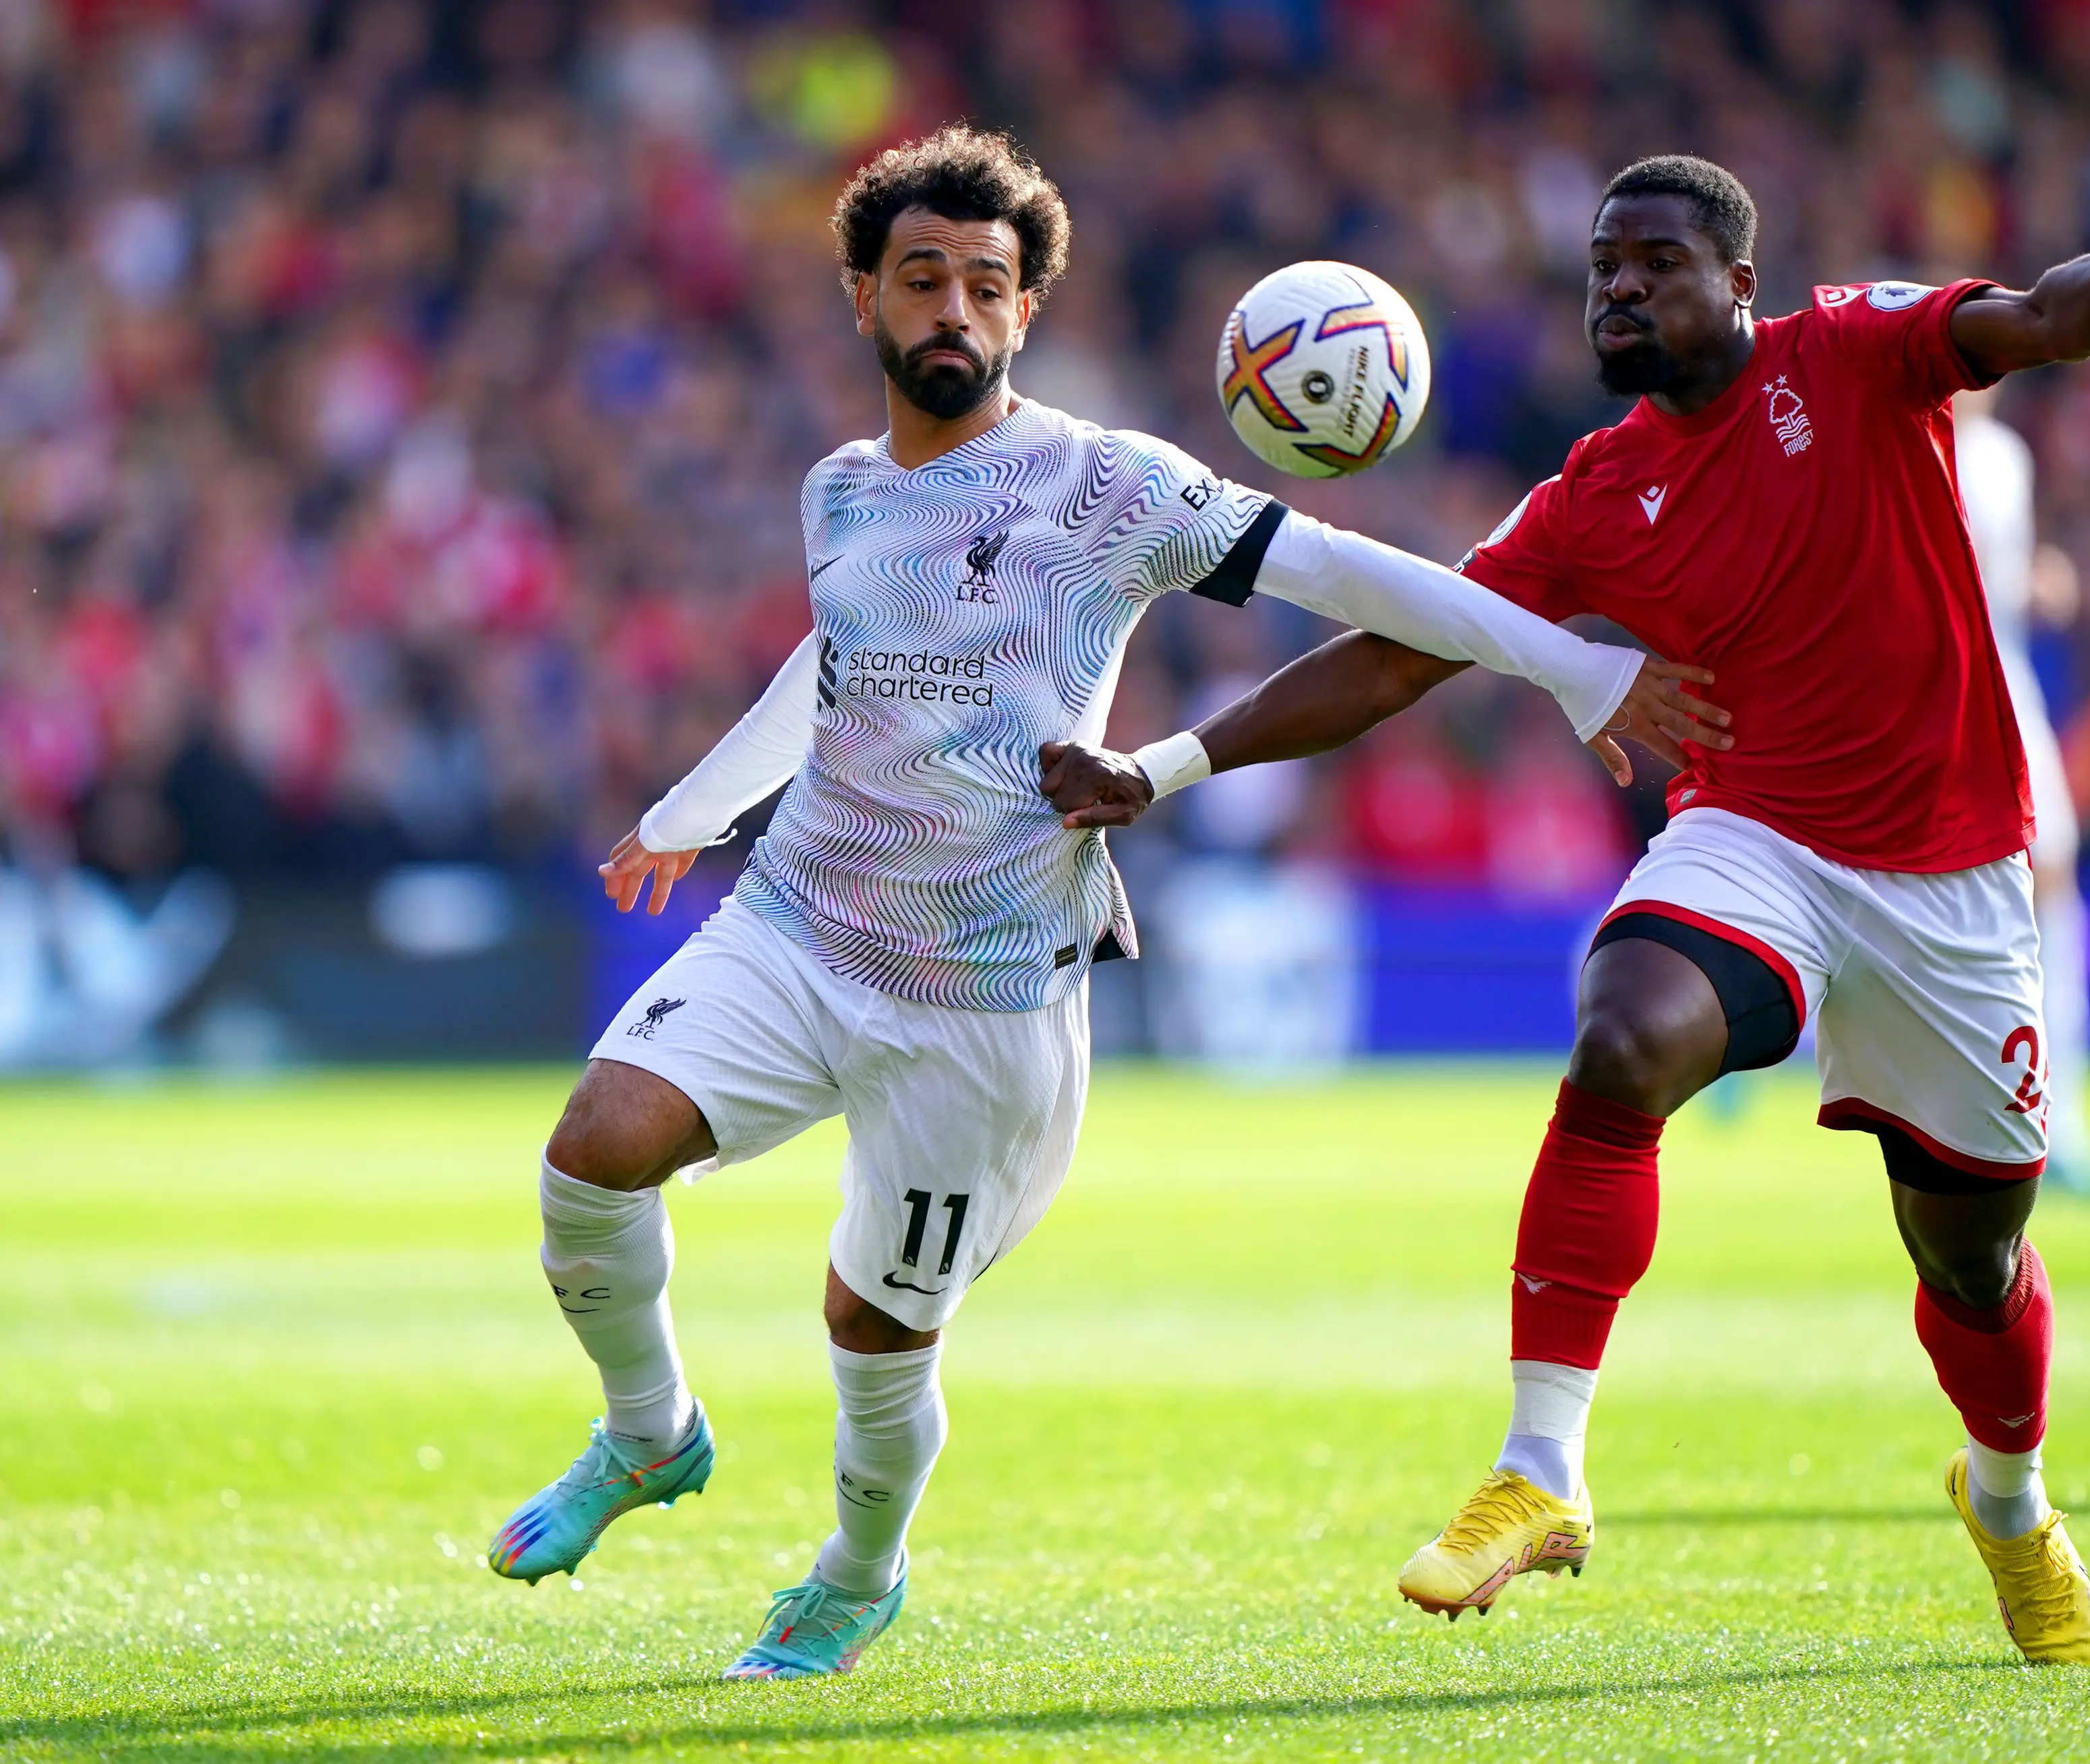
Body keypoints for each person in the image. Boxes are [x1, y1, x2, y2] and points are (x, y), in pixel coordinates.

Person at [482, 125, 1731, 1682]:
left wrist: (1574, 661)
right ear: (862, 296)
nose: (952, 308)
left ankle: (857, 1572)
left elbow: (1351, 575)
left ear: (1023, 313)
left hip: (984, 996)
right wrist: (695, 806)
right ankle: (649, 1429)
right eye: (921, 278)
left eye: (985, 286)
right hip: (799, 922)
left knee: (870, 1327)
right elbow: (844, 655)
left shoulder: (1109, 485)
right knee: (590, 1156)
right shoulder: (839, 490)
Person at [1044, 131, 2090, 1664]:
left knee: (1971, 1257)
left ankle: (2010, 1496)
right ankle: (1538, 1466)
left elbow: (2041, 315)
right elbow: (1400, 650)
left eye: (1655, 264)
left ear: (1738, 283)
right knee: (1620, 1034)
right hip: (1753, 838)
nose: (1618, 289)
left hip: (1951, 875)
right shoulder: (1597, 491)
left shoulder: (1855, 351)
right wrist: (1158, 765)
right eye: (1600, 272)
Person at [1954, 386, 2090, 1198]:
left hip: (2006, 694)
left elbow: (2000, 582)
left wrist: (2035, 582)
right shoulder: (1901, 443)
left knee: (2051, 882)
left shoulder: (2005, 459)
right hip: (1926, 696)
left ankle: (2063, 1116)